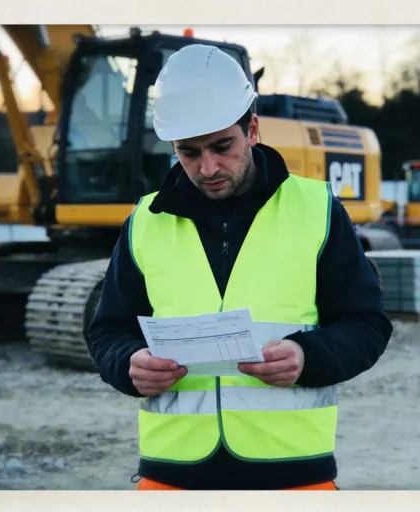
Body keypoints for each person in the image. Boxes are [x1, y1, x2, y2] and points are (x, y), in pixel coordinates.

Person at [85, 44, 393, 491]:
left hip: (293, 474)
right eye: (188, 152)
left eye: (221, 146)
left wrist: (309, 357)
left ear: (252, 129)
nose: (207, 167)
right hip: (172, 474)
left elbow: (368, 324)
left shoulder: (318, 211)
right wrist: (128, 363)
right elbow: (107, 331)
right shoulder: (145, 222)